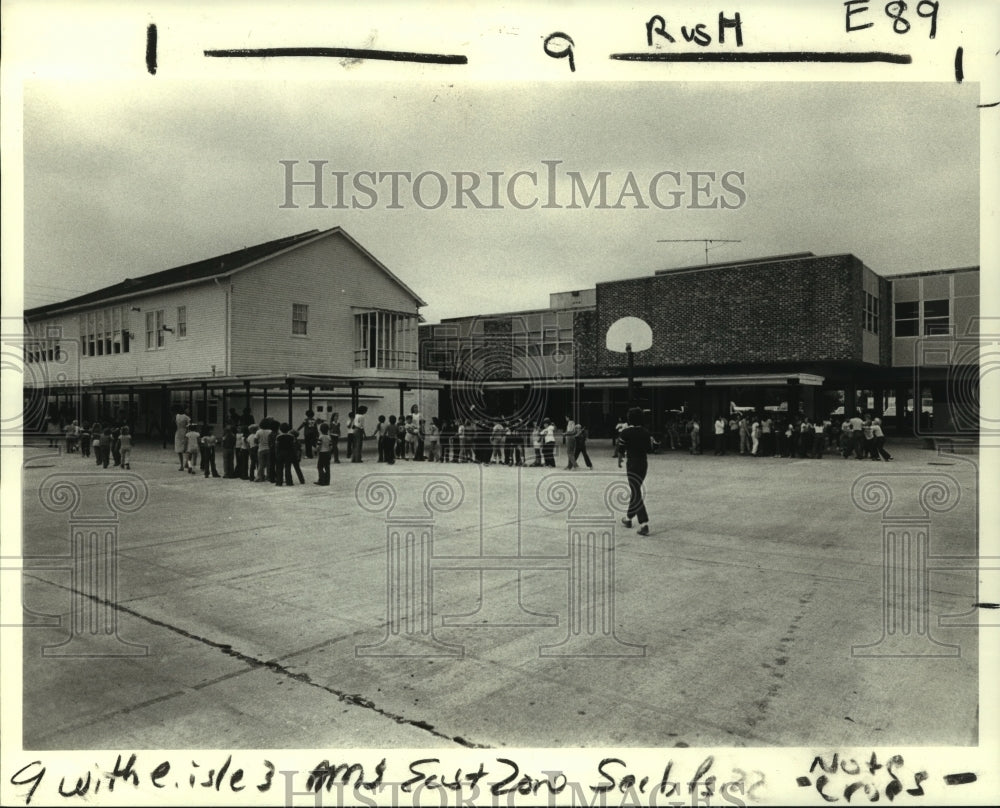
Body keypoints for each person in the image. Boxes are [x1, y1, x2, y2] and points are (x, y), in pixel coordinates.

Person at [618, 407, 652, 536]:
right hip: (643, 464)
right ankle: (628, 518)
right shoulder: (645, 432)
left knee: (635, 491)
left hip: (632, 464)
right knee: (635, 490)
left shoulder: (625, 432)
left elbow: (620, 450)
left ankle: (644, 523)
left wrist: (619, 461)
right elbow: (649, 449)